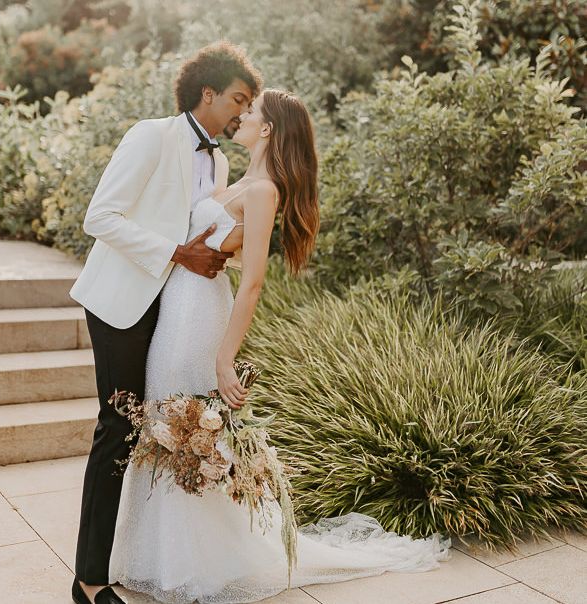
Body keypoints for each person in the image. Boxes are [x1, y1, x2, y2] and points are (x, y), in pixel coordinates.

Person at [108, 88, 452, 604]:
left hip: (200, 313)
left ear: (266, 129)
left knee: (184, 424)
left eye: (251, 111)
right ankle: (159, 555)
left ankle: (190, 565)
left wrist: (225, 358)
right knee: (167, 420)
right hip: (177, 301)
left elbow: (253, 282)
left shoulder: (264, 190)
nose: (241, 115)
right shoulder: (235, 176)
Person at [69, 42, 264, 604]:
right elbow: (99, 216)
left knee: (161, 433)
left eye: (248, 105)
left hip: (178, 310)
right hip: (123, 301)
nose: (241, 113)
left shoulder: (221, 161)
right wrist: (178, 253)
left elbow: (204, 231)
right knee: (118, 428)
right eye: (237, 100)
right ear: (207, 93)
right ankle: (88, 580)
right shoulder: (150, 135)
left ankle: (144, 555)